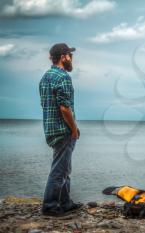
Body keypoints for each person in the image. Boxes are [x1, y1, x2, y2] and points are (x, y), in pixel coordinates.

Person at [39, 43, 82, 216]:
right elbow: (64, 108)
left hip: (50, 128)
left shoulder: (45, 77)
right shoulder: (63, 77)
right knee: (59, 170)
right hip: (63, 129)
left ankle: (65, 203)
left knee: (64, 168)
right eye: (70, 55)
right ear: (63, 57)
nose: (72, 59)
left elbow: (45, 104)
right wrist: (74, 129)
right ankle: (49, 206)